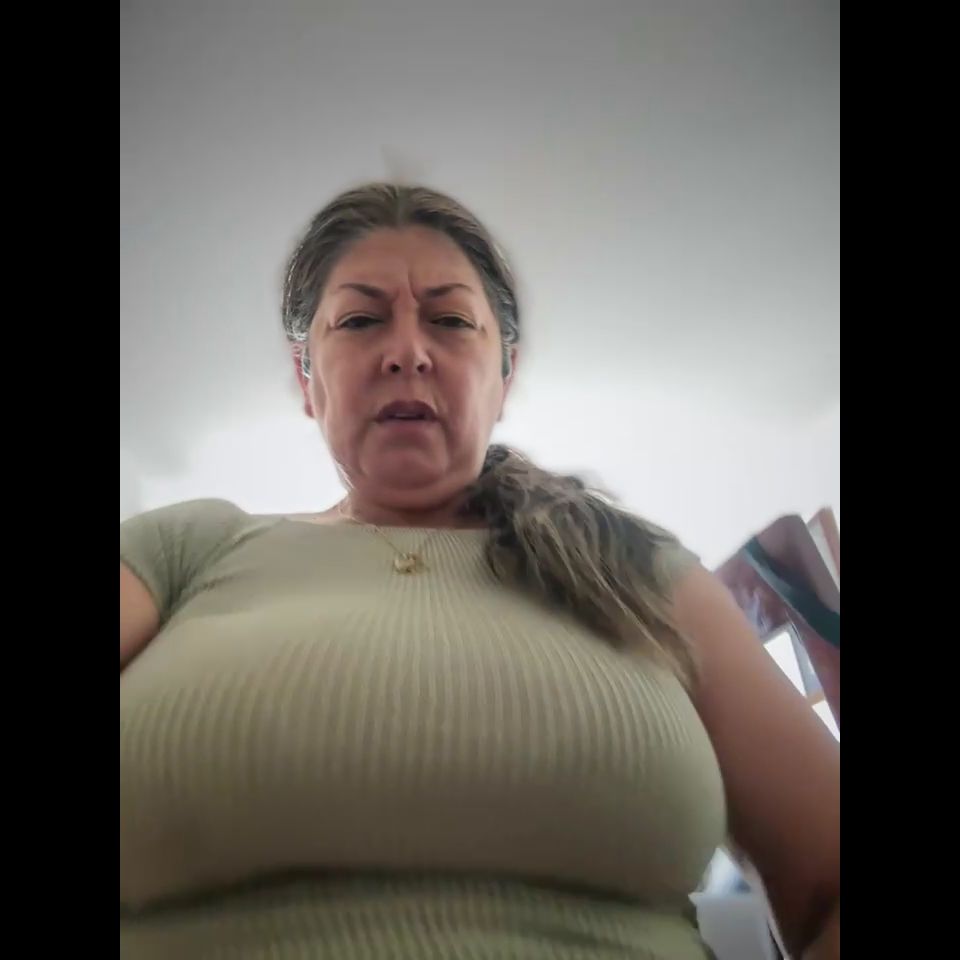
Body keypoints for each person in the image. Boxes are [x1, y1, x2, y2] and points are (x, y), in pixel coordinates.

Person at [120, 183, 840, 959]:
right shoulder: (184, 549)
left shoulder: (636, 567)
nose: (406, 352)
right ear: (306, 379)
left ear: (504, 374)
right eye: (360, 321)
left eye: (450, 321)